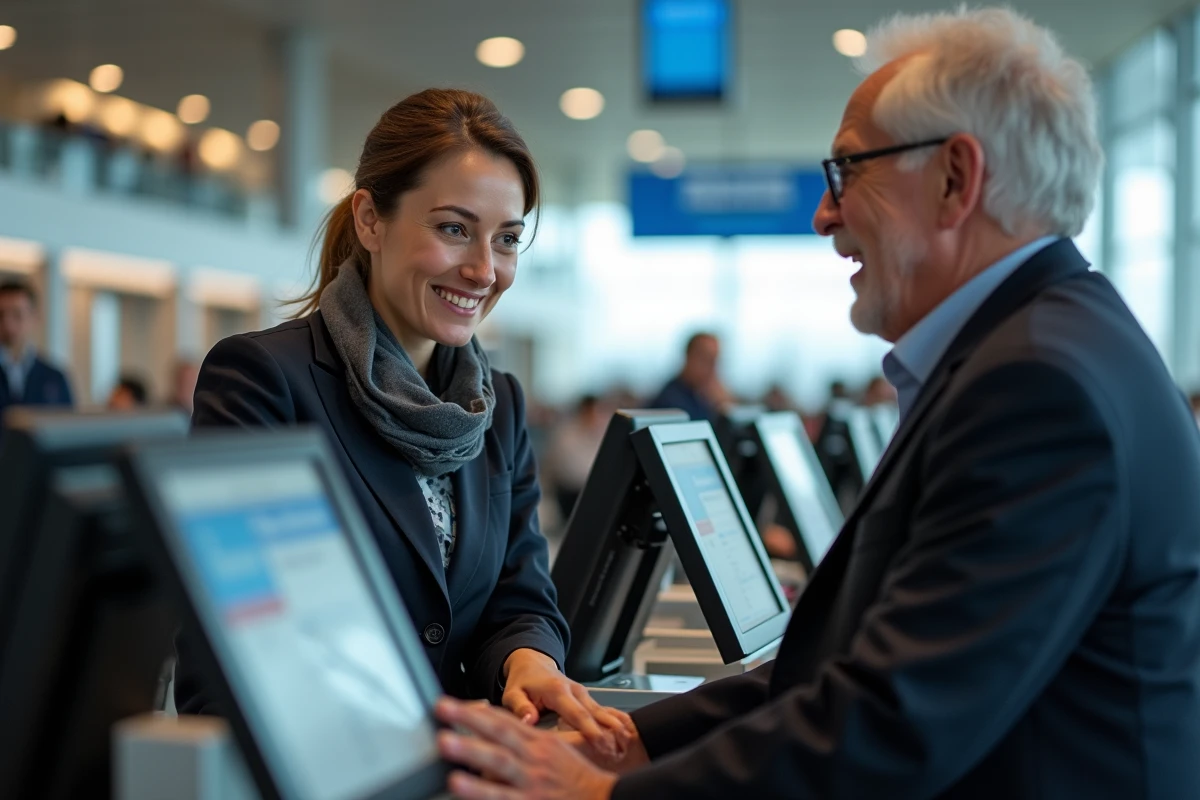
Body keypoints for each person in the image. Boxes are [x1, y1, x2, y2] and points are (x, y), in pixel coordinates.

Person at [432, 8, 1200, 799]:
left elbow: (893, 723)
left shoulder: (1036, 386)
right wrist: (629, 745)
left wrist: (601, 793)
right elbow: (843, 665)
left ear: (955, 179)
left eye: (849, 172)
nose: (824, 213)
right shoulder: (1047, 347)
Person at [178, 89, 627, 755]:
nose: (484, 269)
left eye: (506, 239)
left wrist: (528, 660)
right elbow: (244, 643)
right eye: (453, 229)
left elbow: (519, 597)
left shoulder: (497, 406)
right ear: (370, 219)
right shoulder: (265, 381)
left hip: (457, 762)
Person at [0, 280, 72, 417]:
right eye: (0, 315)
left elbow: (68, 426)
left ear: (34, 317)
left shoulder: (55, 378)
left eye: (17, 315)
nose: (8, 325)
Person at [543, 394, 607, 521]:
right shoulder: (566, 435)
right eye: (593, 412)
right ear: (584, 412)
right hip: (571, 492)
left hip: (593, 491)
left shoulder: (602, 434)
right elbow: (571, 471)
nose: (597, 417)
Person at [647, 331, 729, 423]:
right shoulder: (671, 401)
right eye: (706, 359)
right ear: (689, 357)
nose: (712, 368)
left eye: (715, 361)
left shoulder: (699, 395)